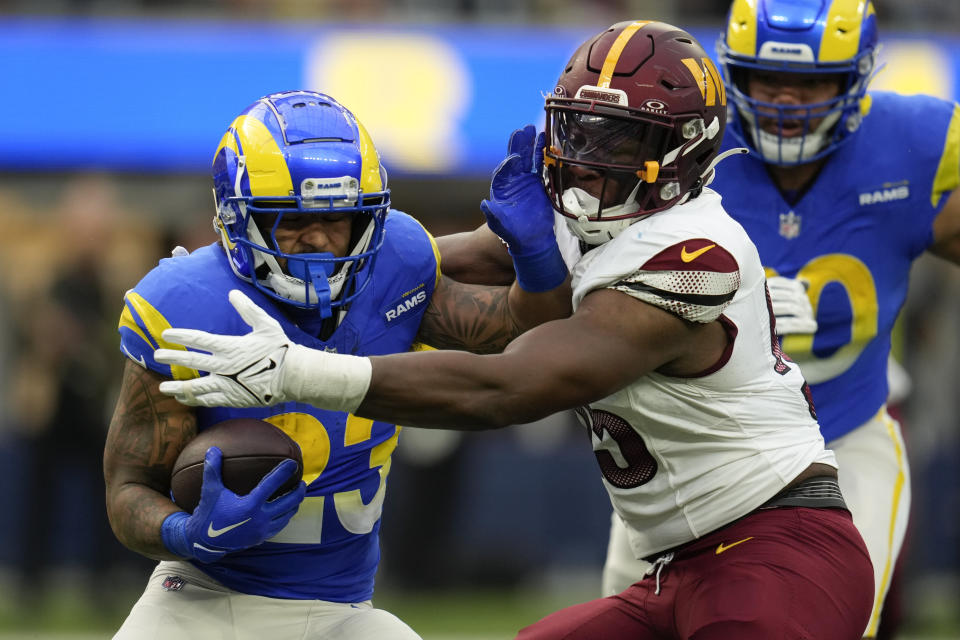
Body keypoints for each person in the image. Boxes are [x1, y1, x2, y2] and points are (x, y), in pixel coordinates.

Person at [155, 22, 875, 639]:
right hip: (678, 566)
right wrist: (244, 275)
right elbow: (404, 270)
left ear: (681, 151)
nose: (587, 154)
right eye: (579, 125)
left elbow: (510, 385)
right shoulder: (593, 214)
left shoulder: (694, 256)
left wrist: (298, 370)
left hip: (778, 547)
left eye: (619, 138)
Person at [102, 90, 571, 639]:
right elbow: (127, 488)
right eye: (293, 220)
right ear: (237, 218)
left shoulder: (394, 267)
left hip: (341, 612)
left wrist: (537, 259)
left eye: (340, 219)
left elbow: (522, 336)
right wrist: (185, 532)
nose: (320, 240)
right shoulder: (184, 304)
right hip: (202, 599)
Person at [594, 3, 960, 637]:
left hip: (844, 431)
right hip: (691, 439)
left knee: (831, 622)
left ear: (856, 79)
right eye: (767, 79)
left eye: (813, 83)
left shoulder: (917, 146)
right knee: (634, 623)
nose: (788, 102)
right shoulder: (684, 143)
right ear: (733, 73)